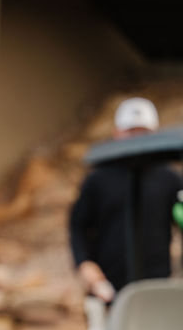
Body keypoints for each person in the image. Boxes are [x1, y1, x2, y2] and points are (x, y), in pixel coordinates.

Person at [69, 97, 183, 301]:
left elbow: (180, 218)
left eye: (143, 133)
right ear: (118, 133)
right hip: (109, 287)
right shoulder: (98, 179)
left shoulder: (169, 178)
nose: (137, 139)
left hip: (157, 284)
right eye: (131, 132)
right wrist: (85, 265)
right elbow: (78, 225)